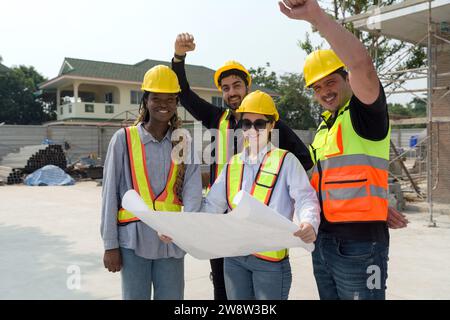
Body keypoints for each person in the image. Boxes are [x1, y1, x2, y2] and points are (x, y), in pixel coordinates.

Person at [172, 32, 314, 300]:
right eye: (225, 88)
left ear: (247, 87)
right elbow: (185, 94)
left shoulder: (272, 124)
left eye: (237, 86)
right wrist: (179, 58)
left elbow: (303, 159)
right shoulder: (216, 118)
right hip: (221, 218)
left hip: (258, 227)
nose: (232, 92)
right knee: (223, 288)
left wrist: (287, 205)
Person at [279, 0, 402, 299]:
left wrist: (315, 17)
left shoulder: (365, 116)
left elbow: (362, 64)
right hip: (323, 242)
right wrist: (376, 203)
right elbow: (335, 182)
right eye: (317, 88)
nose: (324, 92)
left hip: (360, 247)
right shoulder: (325, 127)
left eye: (330, 82)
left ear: (347, 78)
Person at [202, 90, 320, 300]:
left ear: (272, 125)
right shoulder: (233, 164)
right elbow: (212, 205)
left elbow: (305, 198)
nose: (252, 130)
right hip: (235, 258)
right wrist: (183, 227)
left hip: (269, 263)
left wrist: (309, 222)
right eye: (247, 124)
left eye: (260, 124)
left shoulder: (286, 160)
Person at [100, 65, 202, 300]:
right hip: (133, 240)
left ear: (177, 102)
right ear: (145, 100)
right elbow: (110, 195)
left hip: (172, 241)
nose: (163, 104)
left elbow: (193, 191)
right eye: (156, 97)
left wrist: (190, 231)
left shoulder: (183, 142)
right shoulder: (123, 139)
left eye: (170, 98)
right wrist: (110, 244)